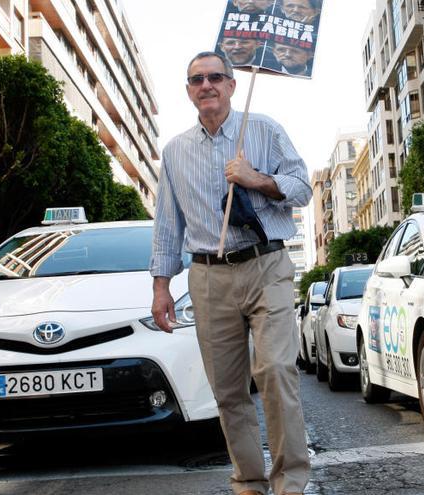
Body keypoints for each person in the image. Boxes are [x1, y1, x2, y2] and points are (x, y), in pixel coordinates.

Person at [150, 51, 312, 495]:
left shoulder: (263, 129)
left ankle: (290, 483)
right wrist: (161, 285)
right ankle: (249, 482)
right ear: (189, 91)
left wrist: (256, 178)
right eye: (197, 79)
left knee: (276, 369)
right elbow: (168, 224)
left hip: (266, 266)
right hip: (207, 276)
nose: (207, 86)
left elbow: (303, 189)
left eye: (215, 77)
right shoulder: (175, 151)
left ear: (232, 84)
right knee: (227, 391)